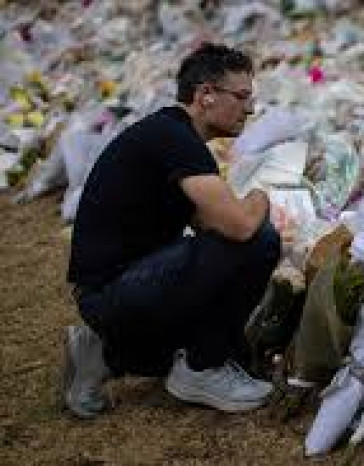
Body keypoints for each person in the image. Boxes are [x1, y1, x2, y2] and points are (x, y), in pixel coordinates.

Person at [64, 43, 281, 418]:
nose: (249, 109)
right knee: (259, 242)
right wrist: (262, 195)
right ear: (206, 95)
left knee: (225, 264)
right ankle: (203, 367)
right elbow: (241, 227)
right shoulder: (175, 138)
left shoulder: (168, 133)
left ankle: (101, 352)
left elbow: (208, 224)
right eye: (242, 96)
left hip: (110, 290)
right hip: (113, 293)